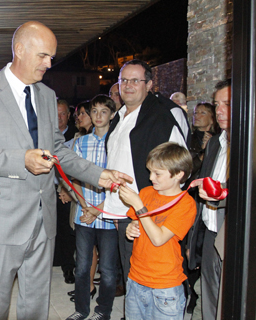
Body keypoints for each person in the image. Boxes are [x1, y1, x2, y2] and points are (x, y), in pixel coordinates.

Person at [0, 21, 131, 320]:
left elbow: (58, 150)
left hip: (43, 218)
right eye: (43, 56)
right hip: (2, 220)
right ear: (20, 50)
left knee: (36, 304)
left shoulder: (47, 96)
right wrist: (21, 159)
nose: (49, 63)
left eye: (51, 57)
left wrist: (99, 175)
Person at [104, 60, 190, 305]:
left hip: (148, 212)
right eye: (123, 80)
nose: (128, 86)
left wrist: (158, 209)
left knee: (152, 279)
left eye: (135, 80)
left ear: (149, 84)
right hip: (121, 210)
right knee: (132, 276)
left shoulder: (161, 116)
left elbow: (180, 165)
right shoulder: (119, 117)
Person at [120, 142, 196, 320]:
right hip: (136, 278)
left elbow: (158, 238)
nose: (151, 177)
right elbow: (136, 223)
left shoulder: (185, 203)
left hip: (165, 286)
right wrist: (131, 228)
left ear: (178, 174)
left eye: (157, 173)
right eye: (150, 171)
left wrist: (138, 205)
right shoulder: (147, 192)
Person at [66, 95, 118, 320]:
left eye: (103, 111)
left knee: (107, 270)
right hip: (84, 213)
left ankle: (103, 310)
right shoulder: (80, 142)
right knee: (83, 266)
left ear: (112, 115)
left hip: (108, 214)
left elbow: (119, 182)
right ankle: (81, 309)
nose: (98, 116)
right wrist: (85, 206)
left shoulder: (118, 141)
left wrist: (98, 209)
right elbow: (73, 177)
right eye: (93, 111)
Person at [187, 79, 231, 320]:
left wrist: (221, 192)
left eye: (228, 103)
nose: (221, 110)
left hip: (232, 233)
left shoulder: (248, 143)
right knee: (210, 296)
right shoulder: (215, 142)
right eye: (217, 104)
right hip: (209, 230)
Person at [54, 99, 78, 284]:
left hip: (68, 189)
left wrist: (67, 188)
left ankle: (68, 267)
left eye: (63, 114)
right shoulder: (45, 134)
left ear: (69, 116)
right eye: (57, 114)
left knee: (66, 230)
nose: (60, 118)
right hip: (48, 188)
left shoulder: (75, 136)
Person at [187, 102, 219, 184]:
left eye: (202, 113)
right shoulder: (188, 139)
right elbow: (185, 170)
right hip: (192, 189)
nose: (197, 116)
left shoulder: (219, 140)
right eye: (195, 113)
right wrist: (203, 152)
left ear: (212, 119)